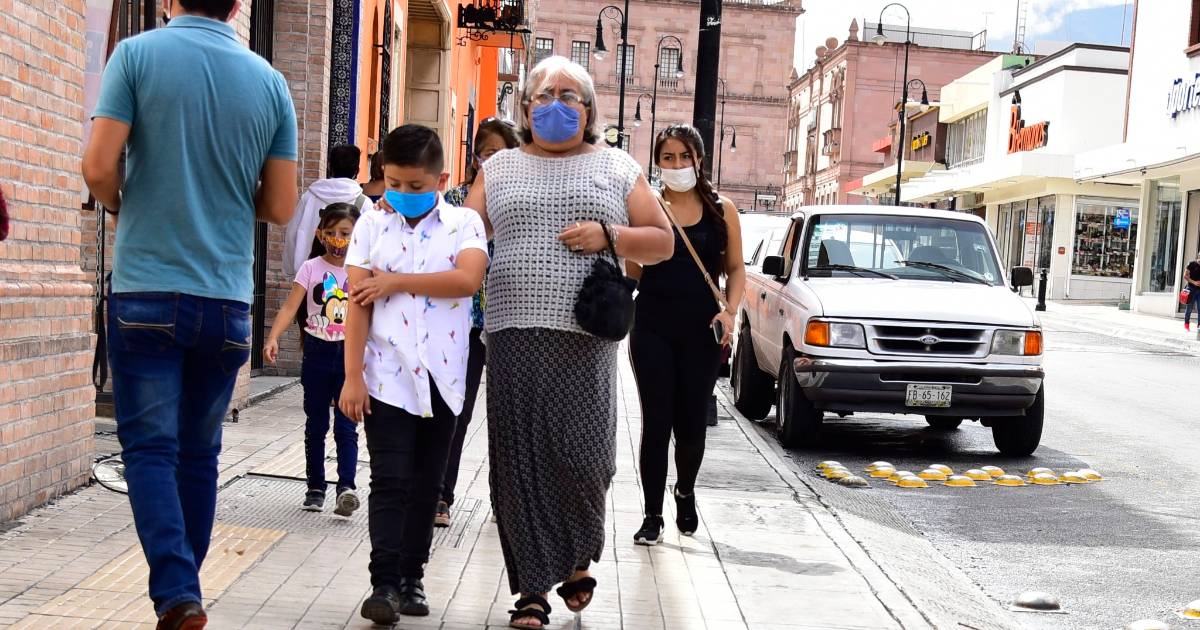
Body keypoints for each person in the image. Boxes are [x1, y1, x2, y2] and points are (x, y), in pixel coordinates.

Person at [81, 0, 298, 627]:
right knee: (200, 454)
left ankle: (178, 593)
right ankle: (184, 596)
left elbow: (97, 167)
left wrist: (127, 204)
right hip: (226, 296)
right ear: (238, 5)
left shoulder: (136, 56)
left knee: (150, 449)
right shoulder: (270, 82)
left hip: (147, 289)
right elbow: (281, 206)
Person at [463, 56, 674, 629]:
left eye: (568, 96)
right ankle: (532, 590)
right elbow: (464, 233)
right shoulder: (499, 168)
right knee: (519, 461)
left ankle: (577, 558)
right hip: (513, 331)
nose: (554, 104)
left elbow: (661, 241)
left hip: (586, 335)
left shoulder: (616, 165)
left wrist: (610, 234)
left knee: (585, 459)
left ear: (588, 109)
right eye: (543, 94)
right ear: (526, 107)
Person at [339, 124, 488, 624]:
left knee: (427, 483)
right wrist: (352, 376)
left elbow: (466, 279)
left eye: (415, 185)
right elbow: (358, 303)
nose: (402, 193)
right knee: (390, 480)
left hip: (445, 380)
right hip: (386, 376)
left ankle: (412, 578)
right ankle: (383, 583)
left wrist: (396, 282)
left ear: (440, 180)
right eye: (394, 183)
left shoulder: (464, 223)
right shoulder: (370, 225)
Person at [628, 125, 745, 546]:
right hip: (652, 326)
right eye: (667, 157)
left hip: (701, 331)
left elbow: (736, 269)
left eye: (684, 156)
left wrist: (730, 312)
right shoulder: (648, 206)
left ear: (699, 160)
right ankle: (652, 515)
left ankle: (685, 490)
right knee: (656, 422)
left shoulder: (722, 209)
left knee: (692, 424)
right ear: (657, 163)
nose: (676, 165)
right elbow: (633, 271)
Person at [435, 117, 521, 529]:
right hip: (463, 323)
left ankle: (505, 499)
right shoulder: (455, 200)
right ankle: (441, 495)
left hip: (510, 321)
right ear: (474, 157)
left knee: (509, 417)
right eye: (487, 153)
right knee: (457, 410)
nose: (493, 161)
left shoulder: (523, 205)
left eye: (502, 154)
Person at [264, 202, 361, 515]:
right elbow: (291, 306)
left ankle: (346, 488)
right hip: (317, 354)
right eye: (331, 232)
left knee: (346, 426)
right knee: (316, 425)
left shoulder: (361, 270)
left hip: (349, 355)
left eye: (345, 233)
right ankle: (315, 487)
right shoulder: (311, 268)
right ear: (320, 235)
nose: (337, 239)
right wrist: (273, 337)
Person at [283, 144, 374, 280]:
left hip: (308, 277)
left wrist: (290, 272)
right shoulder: (365, 203)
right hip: (348, 280)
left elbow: (292, 234)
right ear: (357, 170)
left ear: (329, 166)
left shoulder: (310, 197)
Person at [1185, 252, 1200, 332]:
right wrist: (1194, 282)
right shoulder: (1191, 264)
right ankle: (1186, 324)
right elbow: (1185, 276)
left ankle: (1199, 325)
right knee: (1189, 308)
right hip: (1191, 289)